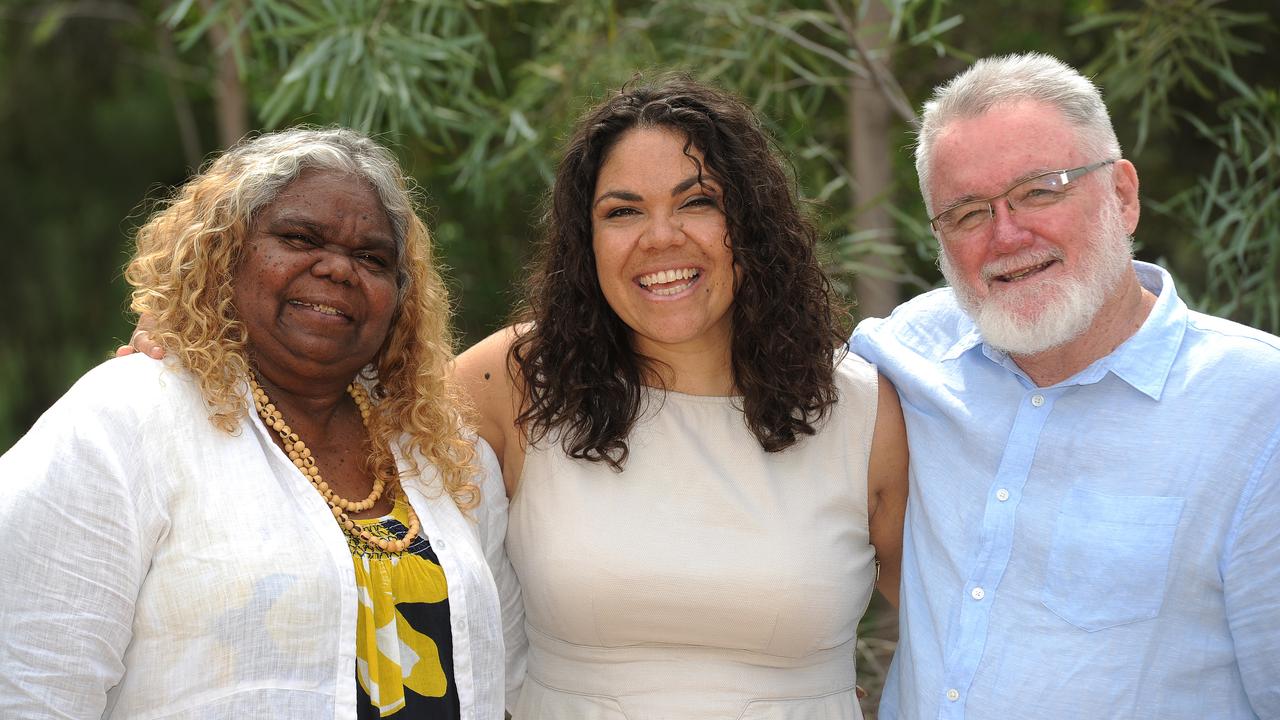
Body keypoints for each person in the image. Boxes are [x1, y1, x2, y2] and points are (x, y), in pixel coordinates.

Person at [0, 128, 521, 719]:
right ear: (224, 253)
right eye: (300, 238)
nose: (338, 270)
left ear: (401, 298)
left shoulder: (443, 453)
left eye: (372, 258)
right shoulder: (127, 419)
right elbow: (28, 683)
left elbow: (508, 677)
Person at [456, 77, 909, 719]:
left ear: (751, 222)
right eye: (623, 211)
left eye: (697, 202)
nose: (661, 237)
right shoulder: (515, 380)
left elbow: (962, 627)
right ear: (585, 243)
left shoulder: (862, 409)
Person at [850, 52, 1280, 719]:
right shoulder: (905, 358)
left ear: (1123, 195)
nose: (1007, 234)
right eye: (967, 213)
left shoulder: (1259, 408)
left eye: (1040, 190)